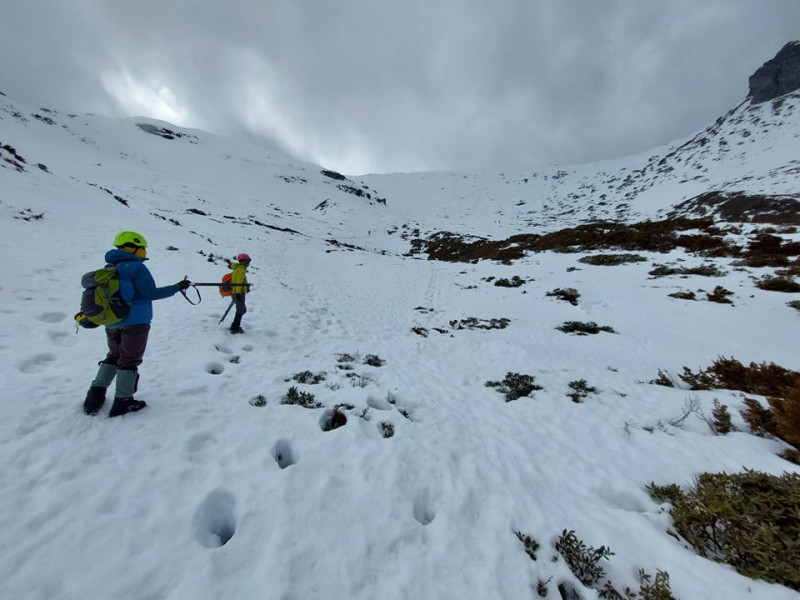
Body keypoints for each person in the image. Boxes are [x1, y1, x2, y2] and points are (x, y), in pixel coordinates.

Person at [83, 231, 191, 417]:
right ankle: (123, 401)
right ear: (132, 248)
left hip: (112, 322)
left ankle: (94, 396)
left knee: (113, 355)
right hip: (136, 322)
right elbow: (150, 294)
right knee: (129, 360)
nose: (144, 252)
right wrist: (177, 287)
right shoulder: (136, 268)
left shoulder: (110, 267)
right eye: (142, 248)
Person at [227, 253, 251, 334]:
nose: (249, 262)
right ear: (244, 261)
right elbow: (238, 282)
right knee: (241, 310)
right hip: (238, 293)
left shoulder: (239, 269)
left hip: (238, 292)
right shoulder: (240, 270)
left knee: (242, 310)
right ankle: (235, 327)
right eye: (248, 260)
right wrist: (238, 293)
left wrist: (246, 288)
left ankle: (235, 325)